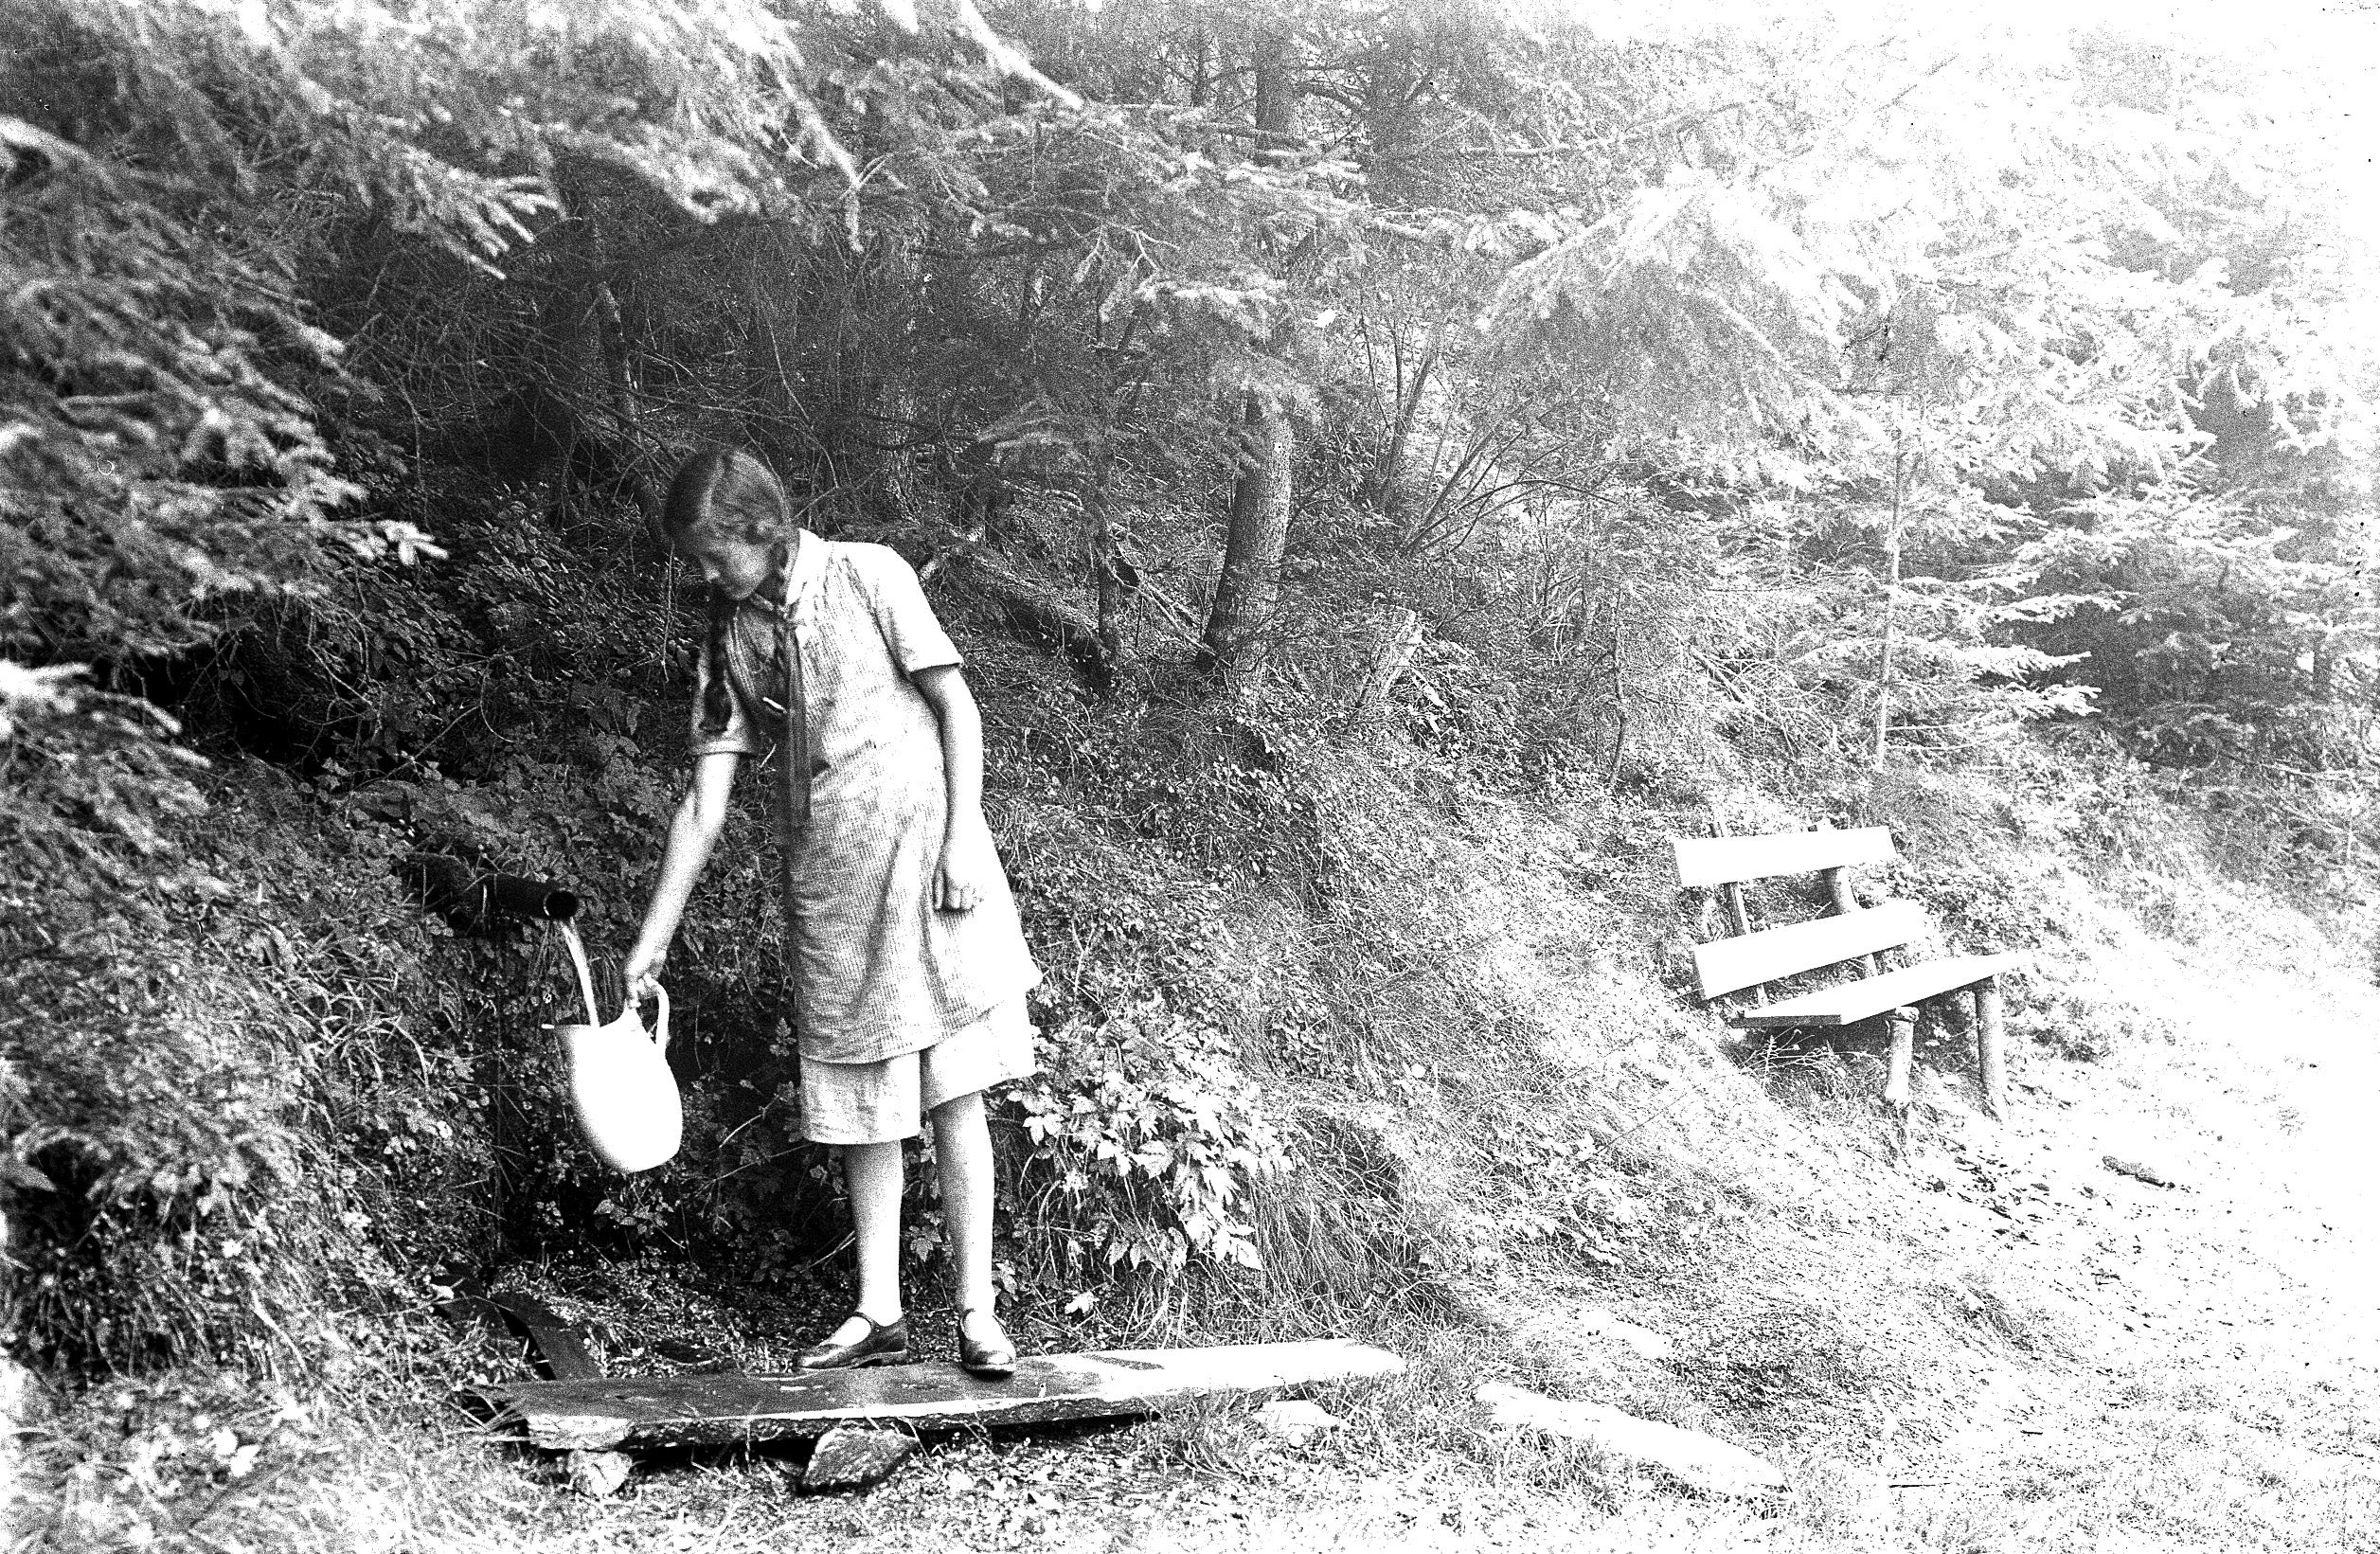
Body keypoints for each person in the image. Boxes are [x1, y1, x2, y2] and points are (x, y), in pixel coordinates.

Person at [623, 445, 1041, 1376]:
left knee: (952, 1093)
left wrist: (965, 837)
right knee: (864, 1105)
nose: (701, 575)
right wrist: (651, 941)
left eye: (707, 554)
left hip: (934, 870)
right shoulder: (728, 641)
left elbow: (956, 708)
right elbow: (704, 802)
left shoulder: (870, 575)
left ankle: (975, 1312)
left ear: (755, 530)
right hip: (832, 894)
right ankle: (878, 1312)